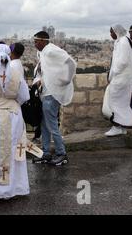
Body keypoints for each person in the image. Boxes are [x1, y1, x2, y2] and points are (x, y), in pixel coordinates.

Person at [0, 49, 42, 203]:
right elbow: (24, 96)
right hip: (13, 116)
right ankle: (12, 188)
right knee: (12, 150)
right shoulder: (16, 73)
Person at [32, 31, 76, 166]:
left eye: (37, 41)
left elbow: (71, 63)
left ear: (44, 41)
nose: (35, 44)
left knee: (51, 125)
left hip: (52, 94)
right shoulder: (43, 53)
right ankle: (46, 153)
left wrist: (65, 81)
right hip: (45, 93)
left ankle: (61, 153)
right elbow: (44, 71)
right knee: (44, 125)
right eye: (34, 41)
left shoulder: (51, 51)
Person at [103, 25, 132, 136]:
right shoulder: (120, 41)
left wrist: (114, 72)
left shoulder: (123, 41)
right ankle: (122, 127)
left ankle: (116, 127)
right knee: (122, 103)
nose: (110, 34)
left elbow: (123, 61)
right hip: (121, 77)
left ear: (116, 31)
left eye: (112, 32)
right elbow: (129, 53)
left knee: (114, 102)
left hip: (121, 77)